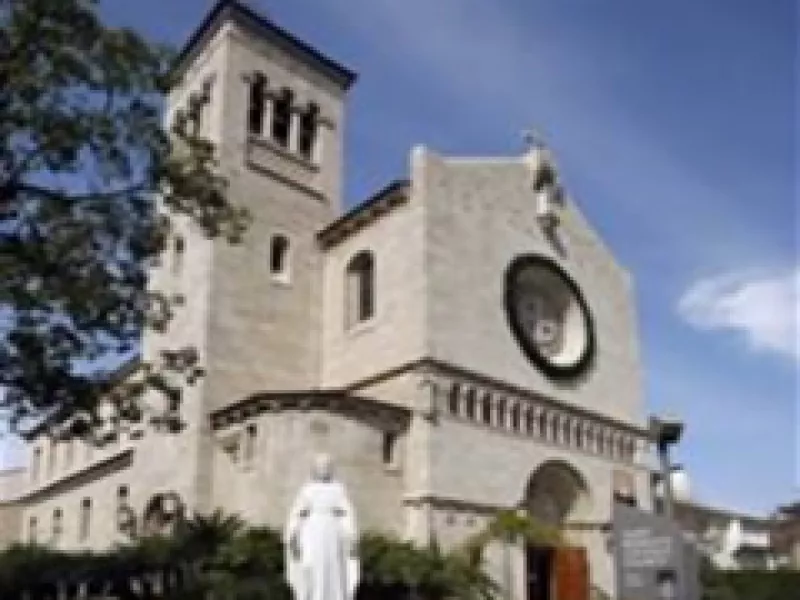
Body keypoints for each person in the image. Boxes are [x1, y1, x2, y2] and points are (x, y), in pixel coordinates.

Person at [284, 453, 360, 600]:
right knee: (311, 565)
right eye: (321, 466)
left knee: (333, 568)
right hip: (311, 531)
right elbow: (297, 513)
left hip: (333, 532)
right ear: (315, 468)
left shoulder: (338, 488)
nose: (324, 469)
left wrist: (351, 535)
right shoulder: (307, 489)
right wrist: (293, 534)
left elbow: (347, 512)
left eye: (326, 466)